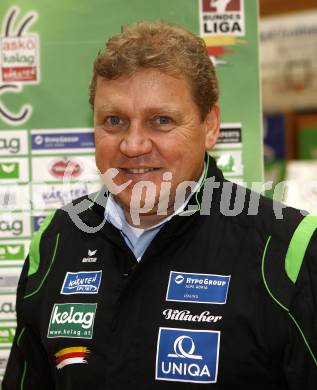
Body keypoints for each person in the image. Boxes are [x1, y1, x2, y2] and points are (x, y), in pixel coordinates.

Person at [3, 21, 317, 389]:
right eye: (114, 120)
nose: (133, 145)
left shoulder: (288, 248)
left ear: (210, 125)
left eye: (161, 121)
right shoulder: (57, 241)